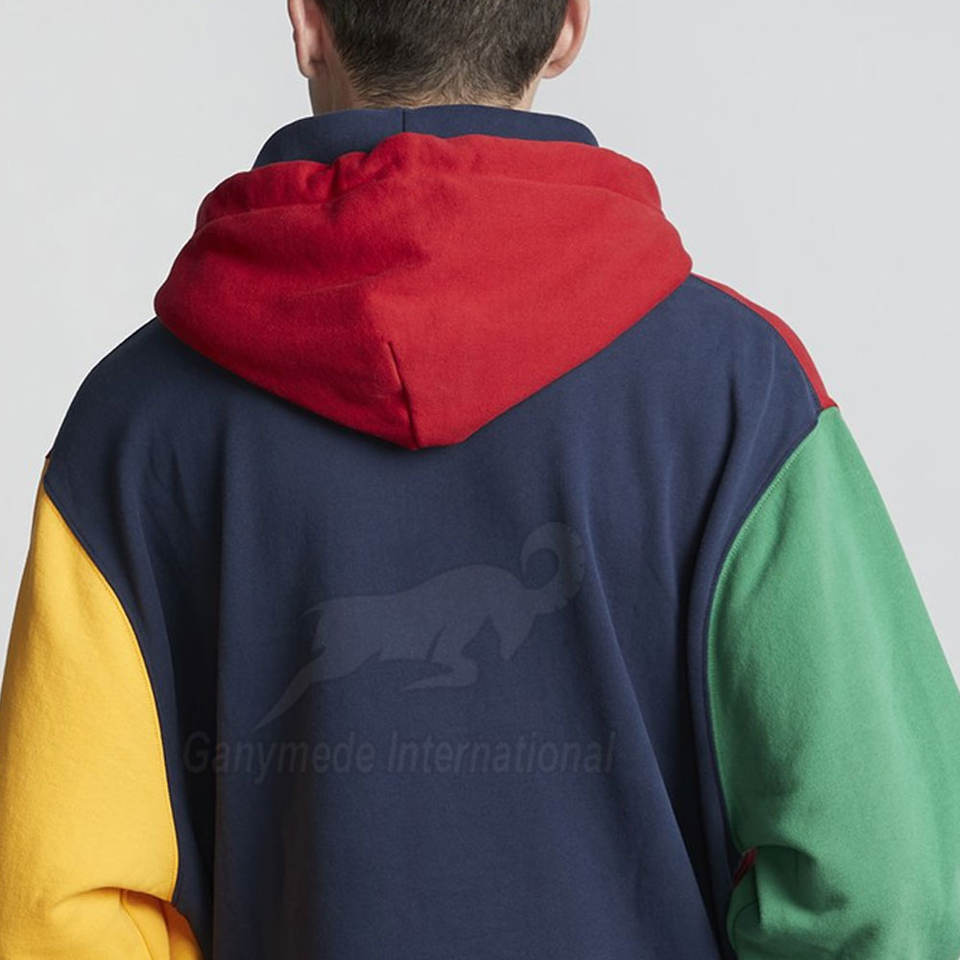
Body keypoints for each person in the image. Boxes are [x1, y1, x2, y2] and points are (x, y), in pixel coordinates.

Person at [1, 1, 957, 957]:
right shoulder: (738, 394)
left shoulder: (128, 432)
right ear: (568, 27)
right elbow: (888, 881)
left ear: (307, 23)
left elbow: (54, 912)